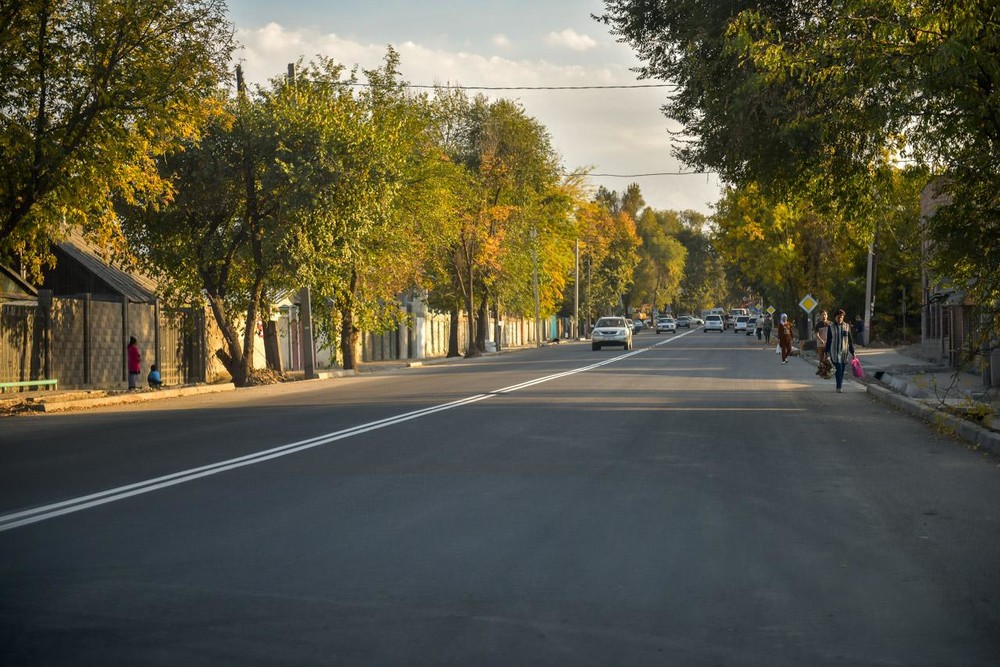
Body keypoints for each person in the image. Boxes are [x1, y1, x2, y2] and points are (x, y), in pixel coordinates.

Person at [825, 309, 856, 392]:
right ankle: (839, 387)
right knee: (838, 368)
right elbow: (829, 340)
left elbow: (850, 340)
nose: (840, 319)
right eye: (838, 317)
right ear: (835, 317)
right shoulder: (831, 327)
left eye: (841, 317)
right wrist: (826, 352)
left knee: (842, 369)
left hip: (844, 352)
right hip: (834, 351)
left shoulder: (846, 326)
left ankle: (839, 385)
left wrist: (852, 352)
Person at [814, 310, 831, 379]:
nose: (824, 316)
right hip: (820, 344)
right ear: (820, 316)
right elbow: (817, 334)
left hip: (828, 344)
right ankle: (821, 371)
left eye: (825, 314)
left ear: (827, 315)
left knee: (827, 359)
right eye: (822, 315)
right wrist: (821, 340)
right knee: (821, 359)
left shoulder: (830, 324)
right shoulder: (818, 325)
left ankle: (827, 372)